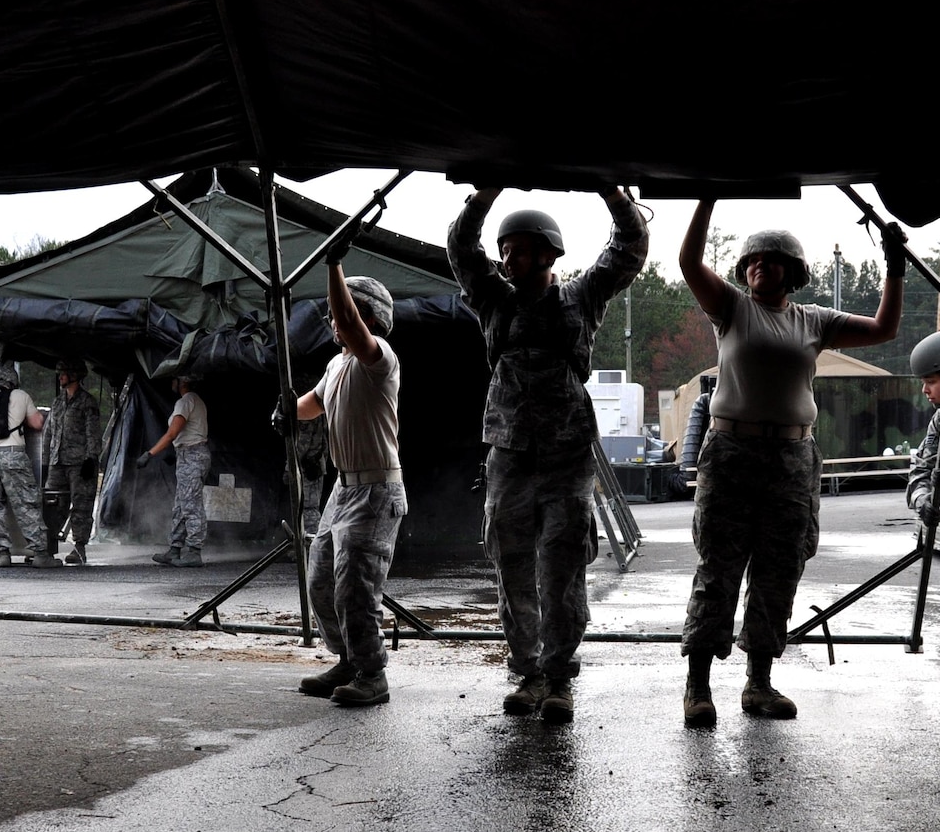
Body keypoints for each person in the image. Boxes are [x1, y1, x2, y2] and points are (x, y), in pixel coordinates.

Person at [676, 200, 907, 727]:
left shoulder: (814, 320)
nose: (761, 265)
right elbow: (689, 263)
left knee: (779, 570)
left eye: (774, 259)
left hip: (792, 458)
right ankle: (698, 686)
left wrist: (892, 267)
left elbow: (883, 328)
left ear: (794, 272)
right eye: (754, 259)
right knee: (719, 569)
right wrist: (706, 199)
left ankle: (758, 684)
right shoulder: (732, 309)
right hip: (732, 455)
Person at [447, 187, 648, 724]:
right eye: (504, 249)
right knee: (511, 564)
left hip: (566, 455)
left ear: (548, 252)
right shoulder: (494, 297)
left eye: (518, 249)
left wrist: (613, 194)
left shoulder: (583, 296)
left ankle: (559, 678)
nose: (507, 258)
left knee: (561, 568)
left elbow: (629, 248)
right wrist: (483, 197)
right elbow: (461, 248)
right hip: (509, 454)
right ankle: (528, 673)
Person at [287, 247, 405, 708]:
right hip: (344, 486)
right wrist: (286, 408)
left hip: (377, 488)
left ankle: (372, 675)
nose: (334, 322)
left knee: (357, 586)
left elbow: (350, 322)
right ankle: (348, 658)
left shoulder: (380, 359)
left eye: (346, 314)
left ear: (368, 318)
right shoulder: (337, 365)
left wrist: (333, 265)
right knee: (321, 577)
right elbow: (311, 405)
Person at [0, 355, 57, 568]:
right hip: (14, 455)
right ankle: (41, 554)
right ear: (13, 380)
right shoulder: (21, 396)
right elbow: (36, 423)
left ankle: (3, 554)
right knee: (26, 504)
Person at [137, 374, 210, 567]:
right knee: (180, 505)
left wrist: (150, 454)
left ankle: (194, 551)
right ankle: (174, 549)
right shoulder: (195, 401)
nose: (171, 383)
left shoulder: (186, 401)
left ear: (183, 382)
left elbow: (172, 433)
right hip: (189, 454)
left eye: (174, 379)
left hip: (192, 455)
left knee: (191, 504)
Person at [43, 359, 103, 564]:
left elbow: (93, 433)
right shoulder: (57, 402)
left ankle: (79, 547)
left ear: (75, 375)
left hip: (80, 464)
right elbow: (48, 433)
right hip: (57, 462)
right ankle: (47, 546)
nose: (60, 377)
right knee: (52, 504)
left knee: (81, 504)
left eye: (64, 373)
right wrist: (45, 461)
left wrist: (91, 458)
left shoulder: (87, 402)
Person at [905, 330, 940, 531]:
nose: (924, 390)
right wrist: (923, 501)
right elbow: (922, 469)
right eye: (923, 383)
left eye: (931, 382)